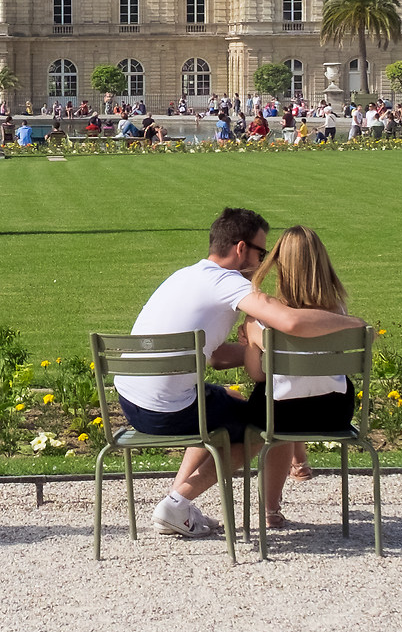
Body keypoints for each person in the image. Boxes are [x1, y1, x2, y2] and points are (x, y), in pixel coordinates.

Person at [117, 208, 363, 539]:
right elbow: (289, 322)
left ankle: (177, 505)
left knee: (227, 400)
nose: (264, 263)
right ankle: (177, 502)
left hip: (132, 400)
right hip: (166, 409)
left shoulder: (185, 276)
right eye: (262, 253)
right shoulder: (229, 283)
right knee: (253, 428)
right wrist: (354, 326)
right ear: (241, 249)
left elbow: (217, 358)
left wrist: (261, 350)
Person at [242, 226, 358, 526]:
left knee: (274, 402)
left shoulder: (261, 316)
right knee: (293, 396)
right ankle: (300, 460)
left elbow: (256, 373)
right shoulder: (339, 314)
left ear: (280, 264)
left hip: (282, 416)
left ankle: (270, 509)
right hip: (334, 415)